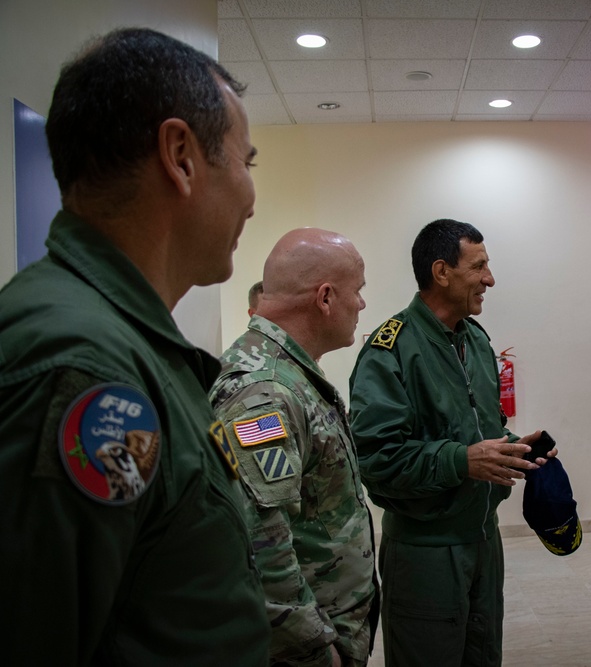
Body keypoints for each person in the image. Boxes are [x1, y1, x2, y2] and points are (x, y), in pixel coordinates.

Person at [0, 28, 268, 664]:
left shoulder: (127, 344)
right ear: (179, 156)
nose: (252, 199)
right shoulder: (81, 369)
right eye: (245, 162)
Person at [348, 218, 551, 667]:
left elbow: (478, 433)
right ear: (442, 271)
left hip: (483, 542)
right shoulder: (391, 350)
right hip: (426, 554)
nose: (490, 279)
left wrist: (514, 448)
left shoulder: (476, 341)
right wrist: (461, 461)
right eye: (479, 267)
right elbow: (376, 459)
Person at [211, 228, 378, 667]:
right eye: (357, 291)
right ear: (325, 298)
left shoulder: (289, 374)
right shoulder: (265, 391)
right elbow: (258, 547)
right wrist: (316, 650)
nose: (362, 304)